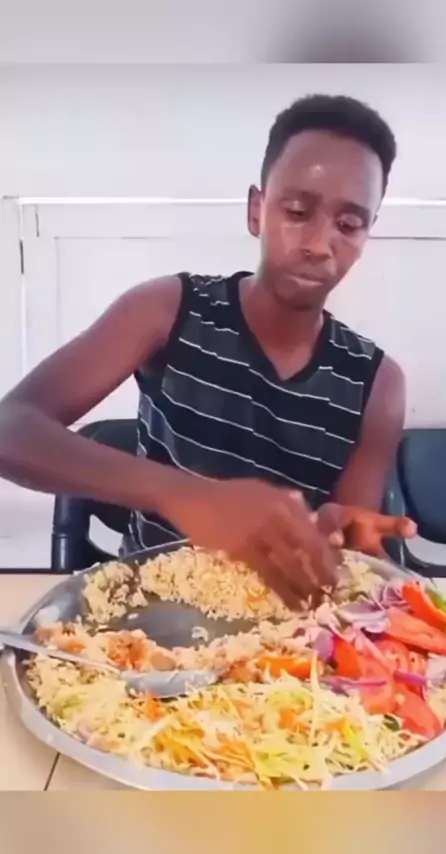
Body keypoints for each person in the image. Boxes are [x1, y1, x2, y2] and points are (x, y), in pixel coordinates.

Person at [0, 94, 415, 608]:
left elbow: (343, 548)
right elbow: (11, 429)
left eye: (349, 225)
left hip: (285, 633)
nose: (319, 243)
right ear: (257, 210)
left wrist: (338, 538)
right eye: (297, 211)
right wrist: (185, 494)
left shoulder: (378, 383)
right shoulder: (167, 309)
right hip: (145, 620)